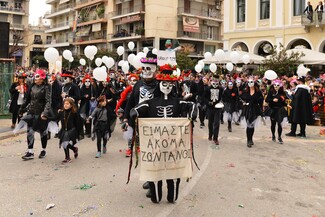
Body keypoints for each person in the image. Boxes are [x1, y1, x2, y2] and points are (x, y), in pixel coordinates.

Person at [130, 65, 197, 203]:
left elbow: (192, 106)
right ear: (159, 84)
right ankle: (155, 194)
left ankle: (172, 194)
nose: (167, 86)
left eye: (169, 84)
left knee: (173, 170)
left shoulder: (178, 101)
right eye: (164, 83)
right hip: (155, 144)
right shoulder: (151, 102)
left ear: (173, 86)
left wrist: (191, 116)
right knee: (156, 169)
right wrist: (134, 113)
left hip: (174, 144)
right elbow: (138, 108)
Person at [18, 69, 52, 160]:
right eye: (35, 77)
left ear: (42, 79)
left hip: (41, 113)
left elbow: (48, 101)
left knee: (43, 132)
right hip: (31, 112)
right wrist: (21, 109)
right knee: (29, 131)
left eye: (38, 77)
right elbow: (27, 99)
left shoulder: (46, 87)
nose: (36, 79)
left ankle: (43, 150)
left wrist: (45, 112)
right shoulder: (32, 87)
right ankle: (30, 151)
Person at [240, 77, 264, 148]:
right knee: (248, 124)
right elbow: (241, 98)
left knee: (252, 125)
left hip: (255, 110)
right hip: (247, 109)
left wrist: (261, 111)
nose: (250, 84)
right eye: (249, 82)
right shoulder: (245, 91)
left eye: (251, 82)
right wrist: (243, 103)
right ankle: (248, 140)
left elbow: (261, 101)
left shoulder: (258, 92)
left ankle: (251, 139)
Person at [57, 97, 80, 163]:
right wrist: (47, 117)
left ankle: (67, 157)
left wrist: (77, 131)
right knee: (64, 142)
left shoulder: (74, 113)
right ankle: (74, 149)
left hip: (71, 130)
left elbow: (78, 122)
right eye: (64, 104)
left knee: (64, 142)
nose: (65, 105)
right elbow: (55, 118)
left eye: (67, 104)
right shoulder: (61, 112)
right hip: (64, 130)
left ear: (71, 105)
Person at [265, 79, 287, 144]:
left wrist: (287, 105)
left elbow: (284, 101)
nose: (276, 86)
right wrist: (272, 99)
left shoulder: (282, 93)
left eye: (277, 85)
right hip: (273, 109)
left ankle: (279, 137)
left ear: (280, 86)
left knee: (280, 124)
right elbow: (267, 100)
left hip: (280, 110)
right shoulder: (271, 92)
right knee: (273, 124)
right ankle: (273, 135)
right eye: (275, 85)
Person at [204, 76, 224, 145]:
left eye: (216, 81)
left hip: (218, 108)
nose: (215, 82)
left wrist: (221, 101)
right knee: (210, 122)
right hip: (210, 108)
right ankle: (210, 134)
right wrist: (208, 102)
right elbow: (204, 98)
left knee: (216, 123)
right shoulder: (207, 89)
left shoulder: (221, 89)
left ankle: (215, 138)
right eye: (214, 81)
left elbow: (222, 97)